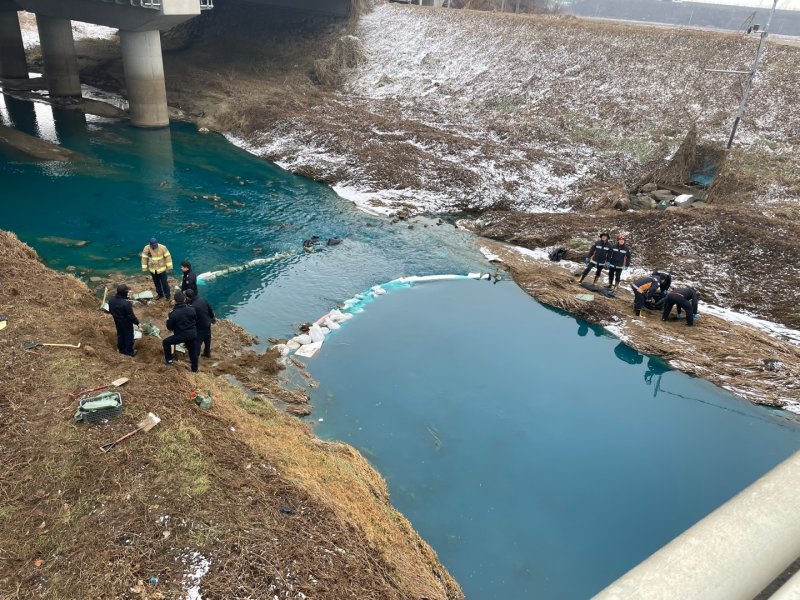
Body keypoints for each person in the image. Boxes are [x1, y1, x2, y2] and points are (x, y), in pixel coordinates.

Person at [162, 291, 199, 372]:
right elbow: (194, 319)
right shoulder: (192, 309)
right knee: (192, 352)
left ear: (175, 301)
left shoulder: (173, 313)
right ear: (185, 299)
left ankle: (169, 361)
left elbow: (170, 328)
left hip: (181, 335)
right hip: (192, 334)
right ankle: (195, 369)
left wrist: (168, 320)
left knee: (166, 342)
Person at [108, 284, 139, 356]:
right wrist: (137, 323)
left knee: (120, 334)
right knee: (129, 336)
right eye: (127, 291)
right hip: (126, 322)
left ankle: (121, 349)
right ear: (124, 292)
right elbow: (131, 315)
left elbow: (110, 310)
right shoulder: (126, 303)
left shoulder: (111, 300)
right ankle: (129, 352)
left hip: (117, 320)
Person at [185, 289, 216, 358]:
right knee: (207, 338)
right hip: (207, 323)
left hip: (200, 326)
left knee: (197, 342)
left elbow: (190, 319)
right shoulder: (202, 299)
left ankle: (195, 357)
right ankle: (207, 353)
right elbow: (210, 309)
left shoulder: (192, 306)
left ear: (188, 297)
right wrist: (213, 318)